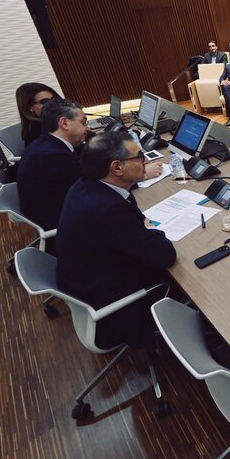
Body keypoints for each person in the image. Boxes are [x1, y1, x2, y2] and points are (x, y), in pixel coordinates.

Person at [56, 131, 177, 349]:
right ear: (117, 168)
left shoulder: (85, 186)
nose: (146, 161)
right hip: (116, 309)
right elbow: (164, 256)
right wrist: (152, 231)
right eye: (139, 156)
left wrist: (143, 229)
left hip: (89, 284)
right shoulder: (108, 210)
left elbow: (137, 224)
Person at [17, 98, 88, 239]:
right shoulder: (54, 156)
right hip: (69, 227)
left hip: (55, 209)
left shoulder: (44, 143)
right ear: (64, 123)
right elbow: (91, 190)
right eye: (83, 122)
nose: (87, 128)